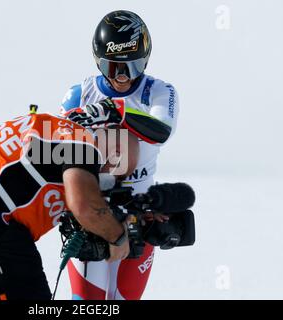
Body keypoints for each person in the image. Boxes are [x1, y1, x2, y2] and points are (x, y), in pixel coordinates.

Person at [0, 110, 140, 300]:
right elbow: (84, 206)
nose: (108, 180)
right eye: (117, 173)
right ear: (115, 150)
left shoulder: (51, 131)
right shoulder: (82, 141)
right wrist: (118, 237)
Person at [60, 10, 180, 300]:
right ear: (98, 61)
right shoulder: (79, 94)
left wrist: (114, 111)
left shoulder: (160, 92)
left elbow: (160, 131)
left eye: (133, 67)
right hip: (93, 210)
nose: (123, 77)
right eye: (113, 68)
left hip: (140, 211)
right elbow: (57, 151)